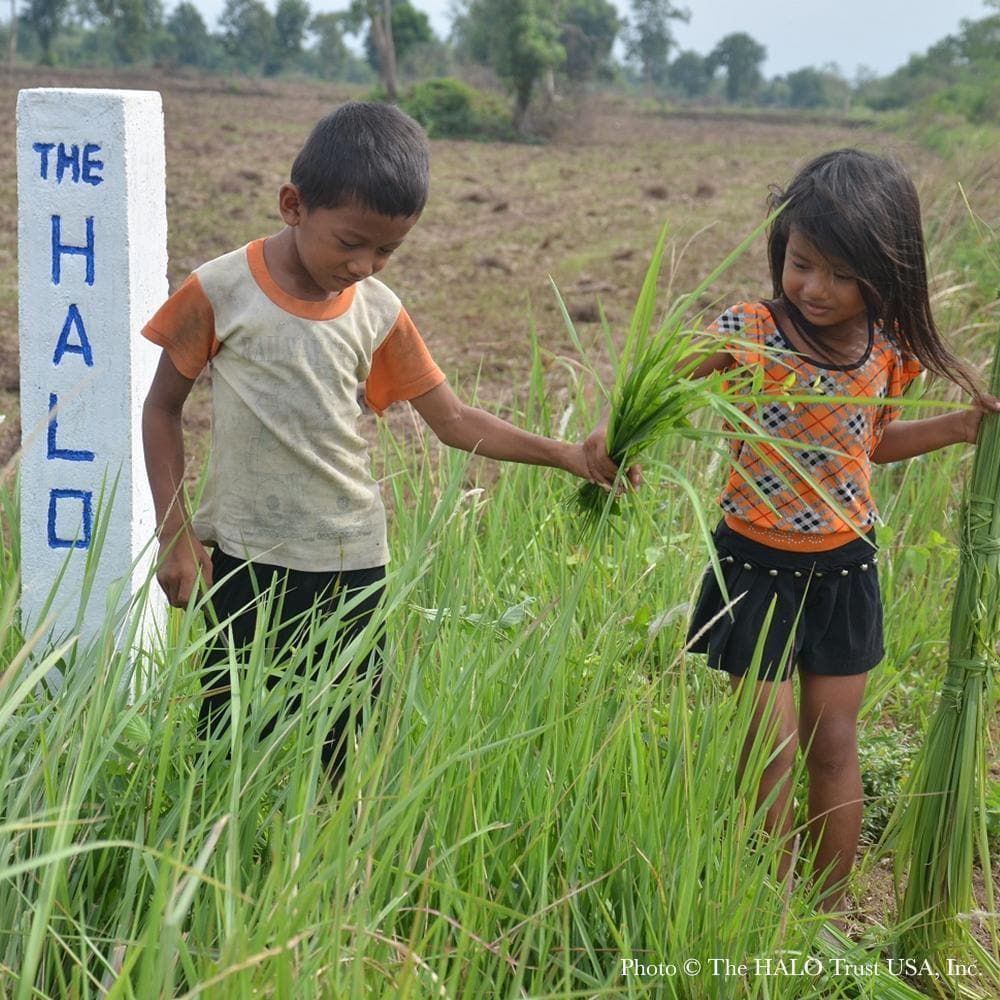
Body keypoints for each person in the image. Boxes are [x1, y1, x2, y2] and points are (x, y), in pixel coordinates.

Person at [142, 101, 620, 781]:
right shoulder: (221, 290)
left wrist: (568, 455)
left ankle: (325, 882)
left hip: (353, 562)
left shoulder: (380, 311)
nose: (366, 264)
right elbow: (162, 409)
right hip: (246, 562)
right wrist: (174, 532)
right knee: (228, 748)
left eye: (388, 250)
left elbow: (452, 421)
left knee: (340, 752)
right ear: (292, 205)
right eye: (351, 242)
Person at [585, 148, 998, 915]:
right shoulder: (749, 329)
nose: (816, 289)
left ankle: (829, 912)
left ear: (887, 273)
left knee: (834, 745)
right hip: (755, 567)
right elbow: (657, 381)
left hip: (846, 570)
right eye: (803, 263)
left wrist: (956, 428)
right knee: (768, 753)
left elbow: (865, 444)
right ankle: (770, 911)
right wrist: (620, 440)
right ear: (782, 247)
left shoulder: (888, 349)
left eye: (844, 275)